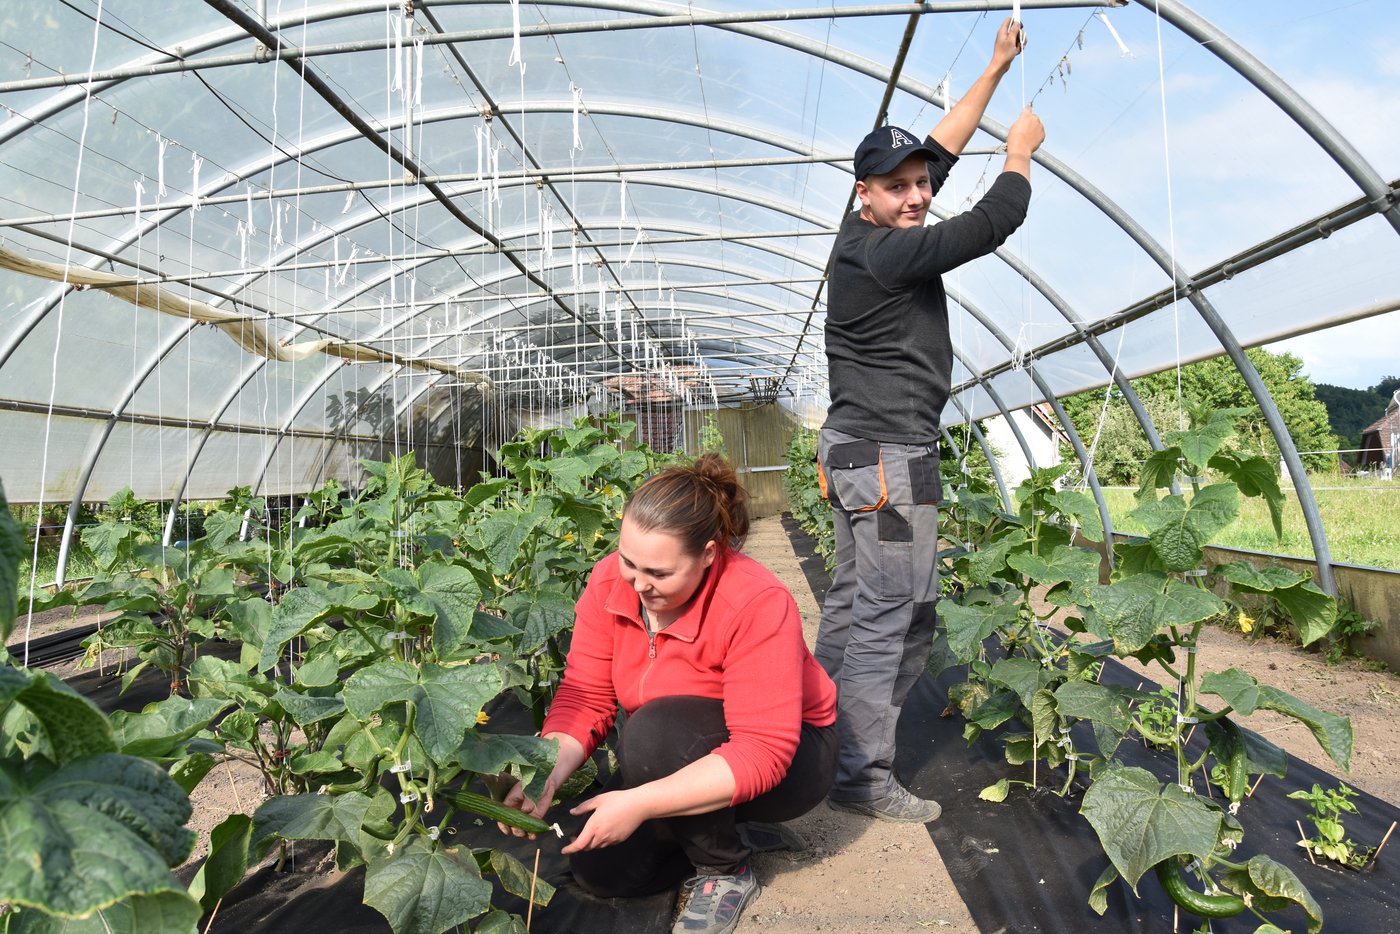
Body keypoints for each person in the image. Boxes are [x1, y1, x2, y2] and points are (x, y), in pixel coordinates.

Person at [815, 17, 1045, 823]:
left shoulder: (863, 233)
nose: (918, 196)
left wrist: (992, 70)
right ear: (864, 195)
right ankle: (859, 777)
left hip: (855, 449)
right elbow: (991, 222)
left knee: (851, 604)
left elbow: (940, 149)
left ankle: (817, 743)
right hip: (890, 460)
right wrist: (1019, 151)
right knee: (897, 613)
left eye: (922, 184)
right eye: (899, 187)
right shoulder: (887, 253)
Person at [498, 453, 838, 934]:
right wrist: (544, 776)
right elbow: (586, 696)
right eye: (628, 562)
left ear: (708, 555)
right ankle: (725, 826)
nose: (638, 584)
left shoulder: (755, 601)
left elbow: (764, 749)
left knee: (652, 733)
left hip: (791, 759)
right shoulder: (607, 583)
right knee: (601, 871)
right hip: (675, 752)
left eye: (659, 574)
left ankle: (725, 870)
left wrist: (639, 803)